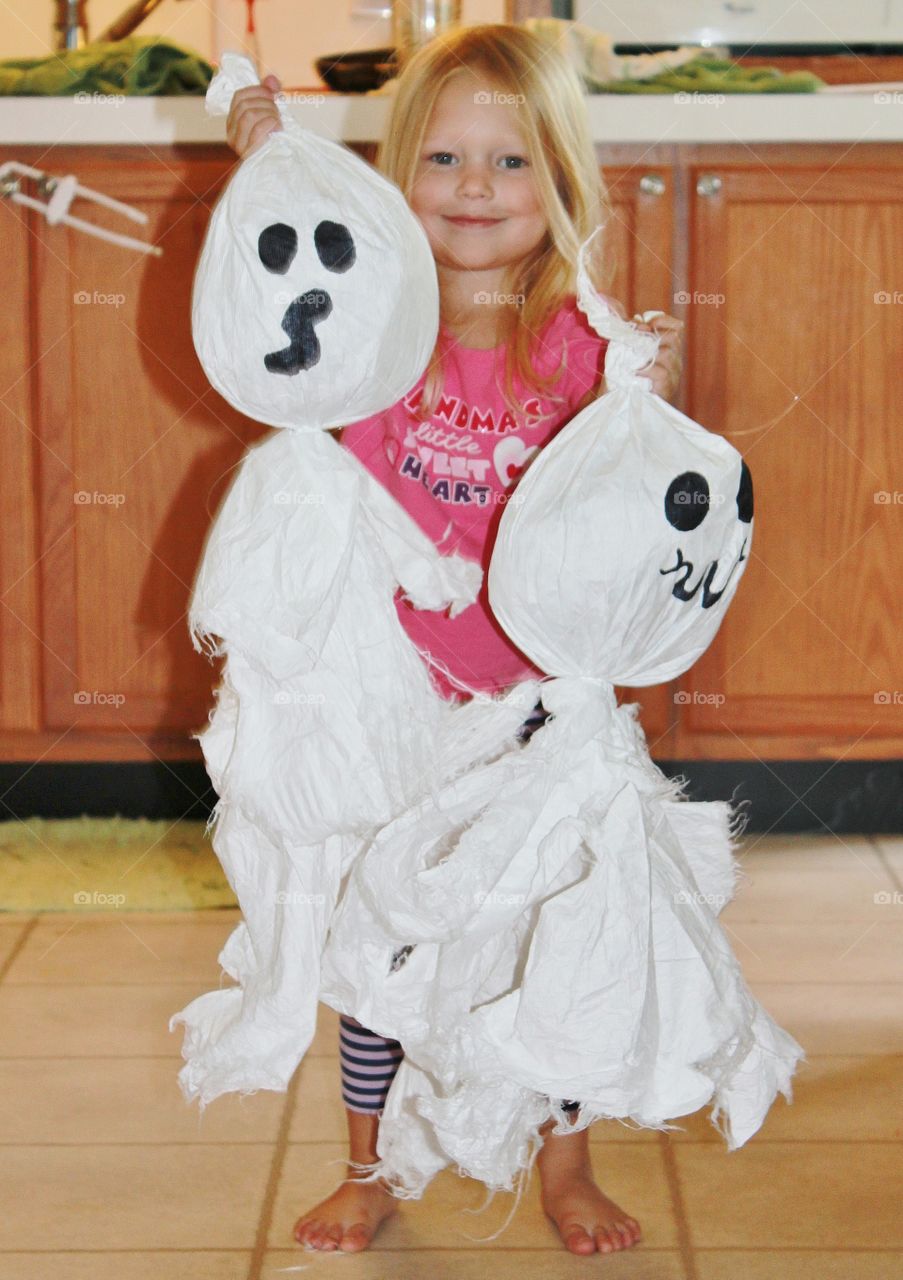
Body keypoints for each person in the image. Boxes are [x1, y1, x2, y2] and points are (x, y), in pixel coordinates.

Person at [225, 23, 683, 1258]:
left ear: (561, 181)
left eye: (510, 162)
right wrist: (270, 155)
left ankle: (566, 1159)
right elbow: (274, 281)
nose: (474, 188)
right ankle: (368, 1164)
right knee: (379, 944)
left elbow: (635, 510)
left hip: (538, 712)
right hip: (391, 708)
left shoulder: (584, 350)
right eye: (442, 158)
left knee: (553, 934)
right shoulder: (366, 326)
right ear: (396, 177)